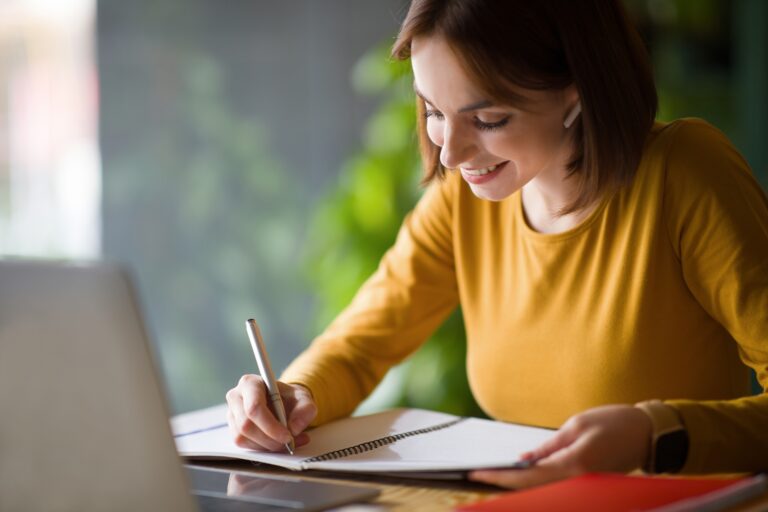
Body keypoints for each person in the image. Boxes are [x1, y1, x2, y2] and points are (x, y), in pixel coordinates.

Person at [226, 0, 768, 489]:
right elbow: (363, 342)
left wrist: (656, 435)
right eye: (434, 112)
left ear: (577, 93)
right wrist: (295, 395)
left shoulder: (688, 176)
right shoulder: (463, 202)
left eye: (487, 119)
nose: (452, 155)